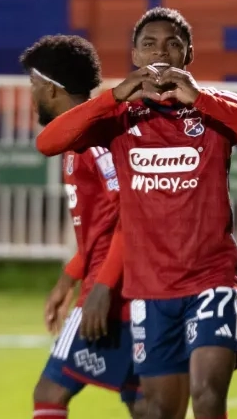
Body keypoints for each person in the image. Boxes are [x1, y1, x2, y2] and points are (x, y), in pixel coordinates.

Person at [35, 8, 237, 419]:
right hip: (149, 289)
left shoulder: (215, 107)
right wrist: (114, 96)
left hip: (210, 279)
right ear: (134, 55)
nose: (161, 52)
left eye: (173, 43)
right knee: (157, 410)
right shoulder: (118, 116)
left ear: (188, 55)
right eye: (149, 43)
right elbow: (48, 142)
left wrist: (201, 98)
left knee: (208, 397)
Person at [22, 34, 142, 419]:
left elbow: (131, 214)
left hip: (112, 291)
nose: (32, 96)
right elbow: (101, 227)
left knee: (50, 392)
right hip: (127, 287)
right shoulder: (76, 139)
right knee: (144, 404)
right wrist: (67, 279)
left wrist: (101, 287)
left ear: (54, 90)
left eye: (35, 87)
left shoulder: (95, 139)